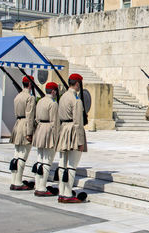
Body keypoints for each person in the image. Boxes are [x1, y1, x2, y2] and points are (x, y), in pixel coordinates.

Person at [55, 74, 87, 203]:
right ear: (78, 84)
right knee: (72, 165)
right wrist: (80, 141)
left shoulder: (63, 97)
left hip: (63, 129)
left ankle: (62, 192)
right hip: (73, 130)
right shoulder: (76, 100)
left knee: (62, 164)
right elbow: (78, 122)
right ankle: (68, 194)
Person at [32, 82, 60, 197]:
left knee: (40, 160)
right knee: (47, 161)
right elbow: (55, 122)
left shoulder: (40, 101)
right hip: (48, 130)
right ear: (53, 91)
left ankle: (37, 185)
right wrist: (57, 137)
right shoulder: (53, 104)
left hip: (40, 130)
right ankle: (42, 187)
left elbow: (37, 118)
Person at [9, 75, 36, 190]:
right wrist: (29, 132)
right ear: (30, 84)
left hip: (18, 124)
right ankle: (18, 182)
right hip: (25, 125)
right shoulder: (30, 98)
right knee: (22, 156)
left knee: (16, 155)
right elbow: (30, 116)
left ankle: (14, 180)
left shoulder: (18, 96)